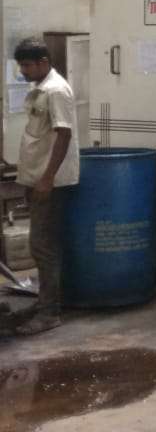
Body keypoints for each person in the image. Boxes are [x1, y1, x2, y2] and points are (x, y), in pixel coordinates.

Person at [13, 38, 79, 335]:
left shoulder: (56, 90)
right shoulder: (41, 88)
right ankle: (44, 303)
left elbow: (64, 135)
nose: (23, 71)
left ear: (43, 62)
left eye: (27, 65)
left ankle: (49, 313)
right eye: (21, 66)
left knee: (43, 247)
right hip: (37, 178)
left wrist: (47, 178)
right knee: (41, 246)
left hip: (49, 182)